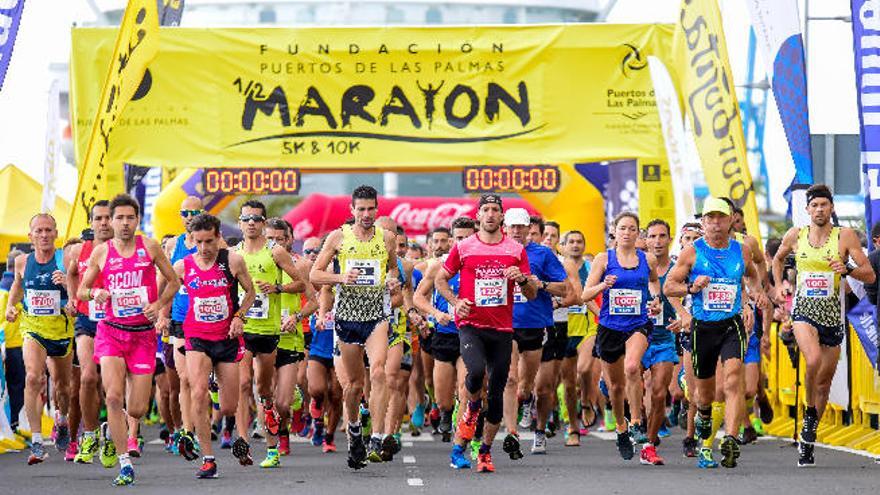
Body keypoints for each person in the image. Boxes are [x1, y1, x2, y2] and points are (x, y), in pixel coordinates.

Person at [78, 194, 180, 485]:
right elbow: (82, 292)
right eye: (119, 218)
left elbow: (173, 281)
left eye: (130, 218)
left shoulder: (149, 247)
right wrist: (95, 293)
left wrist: (159, 304)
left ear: (137, 220)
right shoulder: (101, 252)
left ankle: (112, 430)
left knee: (135, 408)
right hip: (110, 331)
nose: (124, 223)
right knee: (111, 395)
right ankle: (124, 463)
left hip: (143, 336)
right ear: (110, 221)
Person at [771, 185, 874, 467]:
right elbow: (777, 260)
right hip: (804, 311)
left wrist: (848, 270)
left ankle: (810, 431)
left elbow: (870, 275)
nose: (819, 210)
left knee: (824, 382)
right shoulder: (796, 235)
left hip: (832, 316)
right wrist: (780, 285)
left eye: (824, 205)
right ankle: (807, 411)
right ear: (807, 210)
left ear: (831, 209)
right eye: (814, 205)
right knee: (812, 359)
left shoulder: (845, 237)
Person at [436, 193, 537, 473]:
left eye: (495, 210)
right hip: (472, 325)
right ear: (478, 216)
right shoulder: (465, 246)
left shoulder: (515, 249)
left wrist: (523, 279)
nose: (491, 214)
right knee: (476, 372)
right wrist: (456, 302)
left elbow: (529, 294)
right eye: (486, 210)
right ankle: (469, 412)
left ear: (501, 216)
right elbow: (440, 278)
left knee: (496, 396)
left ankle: (483, 451)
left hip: (502, 329)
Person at [665, 197, 767, 470]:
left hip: (731, 325)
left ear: (731, 219)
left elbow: (753, 274)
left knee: (733, 381)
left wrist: (753, 297)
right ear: (703, 222)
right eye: (710, 218)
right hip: (703, 328)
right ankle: (705, 415)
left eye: (720, 218)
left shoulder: (742, 250)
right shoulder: (692, 252)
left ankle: (731, 439)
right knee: (704, 395)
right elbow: (669, 286)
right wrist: (691, 288)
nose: (715, 223)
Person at [309, 185, 401, 469]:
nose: (366, 214)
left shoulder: (387, 238)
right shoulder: (339, 237)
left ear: (377, 209)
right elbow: (315, 274)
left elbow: (394, 268)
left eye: (371, 208)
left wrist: (393, 280)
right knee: (352, 386)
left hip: (376, 315)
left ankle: (376, 436)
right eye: (360, 209)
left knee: (379, 372)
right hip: (347, 317)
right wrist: (341, 278)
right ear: (352, 210)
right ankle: (354, 431)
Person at [229, 200, 307, 468]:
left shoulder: (276, 253)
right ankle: (242, 441)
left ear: (263, 223)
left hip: (268, 331)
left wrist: (277, 288)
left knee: (264, 390)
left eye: (256, 219)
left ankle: (272, 446)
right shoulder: (232, 254)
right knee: (241, 383)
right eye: (246, 218)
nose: (251, 223)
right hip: (242, 329)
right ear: (240, 223)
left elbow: (300, 284)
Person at [582, 212, 660, 461]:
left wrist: (656, 300)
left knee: (632, 367)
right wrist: (603, 285)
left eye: (632, 228)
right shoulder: (604, 259)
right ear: (614, 231)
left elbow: (654, 283)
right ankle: (621, 427)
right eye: (623, 228)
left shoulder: (647, 259)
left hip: (638, 324)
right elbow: (585, 295)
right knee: (615, 387)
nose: (627, 232)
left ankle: (636, 421)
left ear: (638, 233)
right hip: (609, 327)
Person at [5, 214, 76, 465]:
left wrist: (67, 285)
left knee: (62, 386)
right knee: (33, 377)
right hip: (33, 328)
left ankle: (62, 419)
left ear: (56, 234)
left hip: (60, 330)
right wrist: (11, 307)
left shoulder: (65, 259)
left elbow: (77, 298)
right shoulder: (23, 262)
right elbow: (17, 286)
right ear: (30, 236)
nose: (44, 235)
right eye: (39, 231)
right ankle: (36, 441)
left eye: (48, 230)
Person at [504, 212, 569, 456]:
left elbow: (565, 289)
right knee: (511, 380)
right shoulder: (496, 252)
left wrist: (540, 284)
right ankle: (512, 433)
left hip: (537, 326)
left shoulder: (542, 254)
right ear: (505, 228)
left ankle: (540, 431)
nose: (517, 231)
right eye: (513, 227)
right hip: (506, 325)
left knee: (538, 388)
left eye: (522, 227)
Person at [413, 217, 476, 443]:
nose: (464, 242)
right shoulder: (439, 266)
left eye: (469, 237)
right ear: (452, 240)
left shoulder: (485, 265)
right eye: (459, 238)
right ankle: (446, 412)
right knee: (442, 397)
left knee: (464, 387)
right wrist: (435, 314)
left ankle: (462, 437)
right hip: (444, 335)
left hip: (471, 335)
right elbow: (418, 297)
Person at [66, 201, 113, 465]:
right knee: (86, 378)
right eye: (99, 218)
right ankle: (90, 434)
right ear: (91, 222)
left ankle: (114, 432)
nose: (104, 223)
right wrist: (73, 298)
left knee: (111, 385)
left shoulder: (121, 251)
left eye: (108, 218)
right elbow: (72, 274)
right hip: (86, 318)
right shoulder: (78, 250)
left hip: (114, 322)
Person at [267, 218, 317, 458]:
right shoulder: (252, 262)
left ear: (289, 240)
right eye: (270, 239)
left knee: (283, 401)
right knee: (265, 391)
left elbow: (314, 302)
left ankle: (289, 420)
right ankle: (277, 439)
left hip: (290, 335)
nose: (274, 244)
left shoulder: (302, 266)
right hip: (262, 334)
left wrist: (296, 317)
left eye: (280, 239)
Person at [164, 196, 203, 461]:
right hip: (179, 318)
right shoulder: (172, 244)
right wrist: (162, 314)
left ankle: (201, 428)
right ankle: (188, 432)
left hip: (205, 320)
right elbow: (167, 281)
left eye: (193, 212)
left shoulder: (213, 242)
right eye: (184, 213)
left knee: (200, 382)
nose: (189, 217)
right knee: (186, 379)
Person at [640, 219, 681, 465]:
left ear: (669, 238)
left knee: (658, 393)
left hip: (664, 339)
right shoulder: (635, 267)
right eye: (652, 236)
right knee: (629, 388)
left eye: (662, 236)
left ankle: (649, 443)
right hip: (636, 338)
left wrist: (683, 318)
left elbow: (691, 297)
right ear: (646, 240)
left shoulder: (678, 269)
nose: (657, 241)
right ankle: (635, 422)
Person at [558, 231, 600, 446]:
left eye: (579, 241)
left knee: (584, 369)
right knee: (568, 384)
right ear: (562, 246)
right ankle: (572, 428)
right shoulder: (555, 267)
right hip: (565, 328)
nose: (575, 245)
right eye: (571, 242)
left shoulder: (592, 267)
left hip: (589, 326)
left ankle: (585, 401)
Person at [1, 249, 25, 436]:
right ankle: (14, 423)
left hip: (4, 343)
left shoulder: (1, 285)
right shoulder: (16, 288)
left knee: (6, 388)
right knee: (17, 386)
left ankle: (10, 424)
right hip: (15, 343)